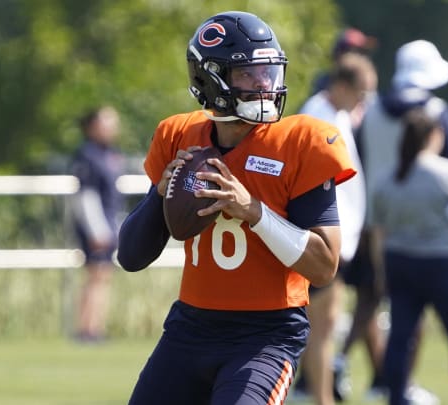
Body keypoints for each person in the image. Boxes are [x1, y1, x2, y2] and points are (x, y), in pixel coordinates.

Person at [117, 11, 356, 405]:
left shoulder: (302, 141)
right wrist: (160, 194)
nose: (265, 84)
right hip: (189, 328)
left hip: (266, 335)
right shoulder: (178, 137)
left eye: (269, 72)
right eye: (249, 74)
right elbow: (130, 256)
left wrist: (255, 212)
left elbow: (324, 265)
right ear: (210, 79)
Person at [356, 39, 448, 403]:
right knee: (435, 326)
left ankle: (385, 385)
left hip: (376, 225)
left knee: (380, 309)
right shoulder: (439, 111)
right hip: (430, 237)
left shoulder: (370, 112)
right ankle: (399, 386)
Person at [370, 108, 448, 405]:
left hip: (400, 263)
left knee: (400, 338)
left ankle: (396, 397)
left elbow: (378, 234)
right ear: (434, 136)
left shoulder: (388, 178)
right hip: (442, 264)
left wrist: (381, 272)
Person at [291, 52, 376, 405]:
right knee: (320, 329)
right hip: (324, 237)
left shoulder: (338, 115)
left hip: (340, 238)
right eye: (360, 94)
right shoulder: (317, 120)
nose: (363, 103)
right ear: (340, 86)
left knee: (319, 328)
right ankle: (321, 398)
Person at [69, 106, 125, 342]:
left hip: (109, 223)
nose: (113, 127)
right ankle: (88, 329)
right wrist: (97, 230)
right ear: (92, 126)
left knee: (102, 277)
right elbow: (86, 196)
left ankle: (94, 328)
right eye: (107, 122)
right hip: (97, 227)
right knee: (96, 276)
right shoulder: (87, 156)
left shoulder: (109, 154)